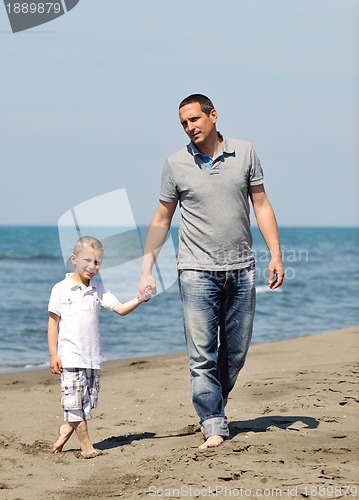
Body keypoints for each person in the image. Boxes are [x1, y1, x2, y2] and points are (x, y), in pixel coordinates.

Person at [137, 94, 284, 449]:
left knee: (234, 352)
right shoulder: (175, 164)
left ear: (213, 116)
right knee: (202, 353)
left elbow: (261, 204)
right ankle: (213, 422)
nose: (189, 128)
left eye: (194, 119)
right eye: (184, 124)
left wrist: (275, 254)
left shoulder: (245, 153)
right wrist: (147, 270)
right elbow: (161, 219)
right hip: (195, 270)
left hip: (241, 270)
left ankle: (214, 406)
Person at [48, 236, 151, 459]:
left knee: (86, 404)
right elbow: (53, 322)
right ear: (74, 259)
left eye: (97, 263)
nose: (92, 267)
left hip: (92, 358)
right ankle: (86, 447)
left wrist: (139, 298)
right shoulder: (61, 289)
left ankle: (67, 429)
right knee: (74, 403)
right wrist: (54, 354)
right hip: (70, 357)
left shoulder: (98, 288)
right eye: (87, 260)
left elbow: (121, 309)